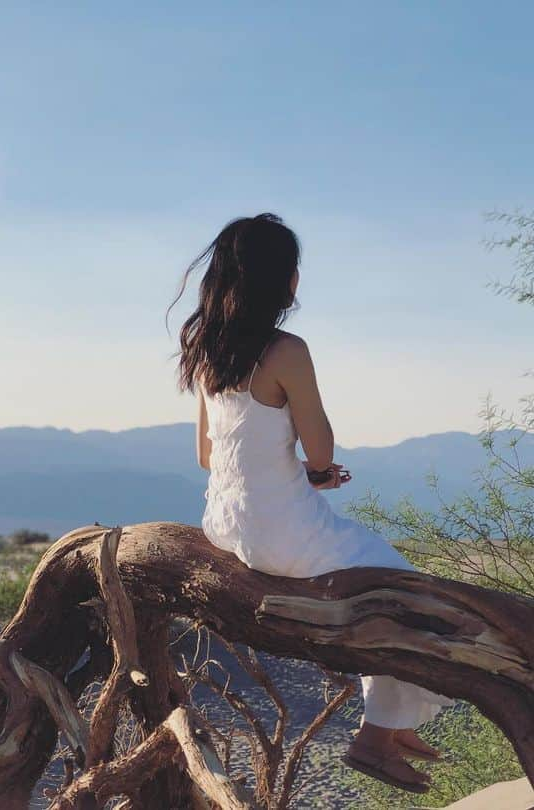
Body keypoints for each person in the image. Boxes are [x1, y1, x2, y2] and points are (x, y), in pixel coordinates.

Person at [172, 213, 451, 794]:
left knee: (379, 577)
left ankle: (396, 728)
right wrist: (317, 470)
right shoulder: (288, 350)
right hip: (281, 531)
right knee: (399, 584)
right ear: (285, 281)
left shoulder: (206, 353)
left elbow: (209, 455)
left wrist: (295, 473)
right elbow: (321, 444)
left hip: (225, 522)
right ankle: (377, 737)